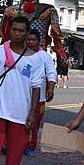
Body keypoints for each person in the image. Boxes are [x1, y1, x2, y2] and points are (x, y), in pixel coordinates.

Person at [0, 16, 43, 165]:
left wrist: (33, 112)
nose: (16, 33)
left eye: (21, 31)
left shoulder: (35, 59)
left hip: (20, 115)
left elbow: (36, 87)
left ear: (27, 34)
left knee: (14, 158)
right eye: (14, 29)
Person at [0, 0, 67, 67]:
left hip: (38, 52)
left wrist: (60, 54)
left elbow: (56, 37)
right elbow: (5, 36)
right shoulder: (11, 10)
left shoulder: (48, 10)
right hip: (15, 52)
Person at [24, 28, 57, 157]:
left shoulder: (44, 56)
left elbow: (51, 73)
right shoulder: (21, 53)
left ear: (39, 42)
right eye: (28, 40)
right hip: (21, 95)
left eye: (33, 40)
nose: (30, 42)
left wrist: (50, 88)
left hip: (39, 98)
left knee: (34, 123)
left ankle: (30, 146)